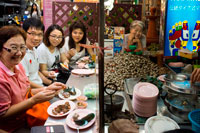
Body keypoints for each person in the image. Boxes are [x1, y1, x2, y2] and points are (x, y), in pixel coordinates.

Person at [0, 25, 66, 132]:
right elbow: (3, 114)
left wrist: (47, 89)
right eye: (13, 48)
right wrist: (34, 100)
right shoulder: (1, 77)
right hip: (14, 127)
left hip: (27, 116)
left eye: (22, 47)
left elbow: (26, 92)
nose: (19, 53)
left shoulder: (17, 66)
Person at [21, 17, 52, 88]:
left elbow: (36, 72)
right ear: (23, 33)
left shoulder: (34, 50)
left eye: (40, 34)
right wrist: (46, 89)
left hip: (41, 87)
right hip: (32, 91)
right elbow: (26, 82)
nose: (36, 38)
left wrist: (51, 83)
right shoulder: (21, 54)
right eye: (32, 34)